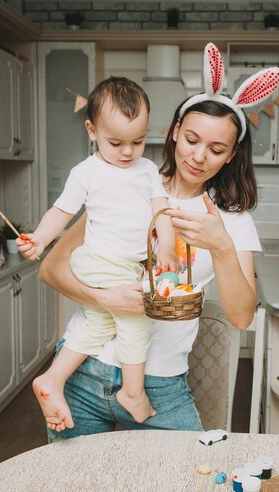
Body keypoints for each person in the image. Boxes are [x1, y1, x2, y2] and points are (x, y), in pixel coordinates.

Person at [40, 43, 279, 439]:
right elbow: (50, 270)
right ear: (172, 133)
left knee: (185, 478)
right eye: (191, 139)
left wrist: (220, 245)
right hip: (84, 372)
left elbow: (241, 317)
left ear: (231, 155)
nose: (199, 156)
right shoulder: (123, 185)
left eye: (216, 149)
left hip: (161, 384)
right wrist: (104, 298)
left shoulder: (234, 221)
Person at [18, 76, 178, 429]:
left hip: (126, 265)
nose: (127, 151)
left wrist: (166, 247)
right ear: (92, 129)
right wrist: (41, 240)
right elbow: (61, 212)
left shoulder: (148, 170)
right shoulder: (86, 172)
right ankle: (133, 393)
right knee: (137, 320)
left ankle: (52, 379)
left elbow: (160, 211)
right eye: (115, 141)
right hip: (99, 261)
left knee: (101, 322)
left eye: (138, 141)